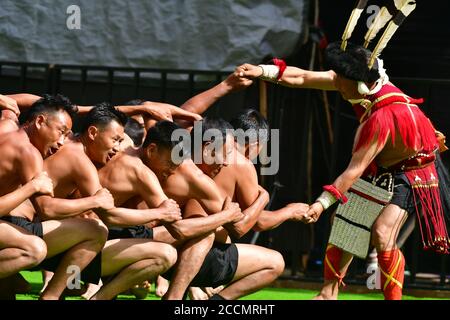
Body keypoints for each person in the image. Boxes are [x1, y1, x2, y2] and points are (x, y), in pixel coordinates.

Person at [237, 38, 450, 300]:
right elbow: (303, 77)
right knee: (347, 225)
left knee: (382, 234)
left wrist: (320, 204)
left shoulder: (383, 117)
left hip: (411, 171)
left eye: (340, 81)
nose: (336, 84)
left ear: (361, 84)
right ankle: (327, 294)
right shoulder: (356, 83)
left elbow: (353, 171)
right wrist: (261, 71)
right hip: (382, 163)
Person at [0, 94, 111, 300]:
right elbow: (47, 209)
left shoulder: (7, 123)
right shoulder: (28, 152)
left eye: (67, 134)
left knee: (11, 290)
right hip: (13, 223)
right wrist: (94, 201)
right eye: (61, 131)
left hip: (10, 224)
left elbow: (13, 103)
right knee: (34, 249)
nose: (61, 142)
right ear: (40, 121)